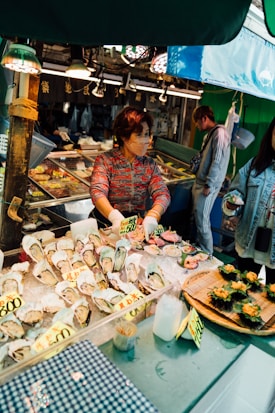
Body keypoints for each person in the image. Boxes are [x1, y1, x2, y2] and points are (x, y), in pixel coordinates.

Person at [90, 106, 171, 241]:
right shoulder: (105, 160)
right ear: (124, 136)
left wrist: (153, 215)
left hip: (136, 226)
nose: (146, 140)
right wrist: (114, 217)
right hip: (106, 223)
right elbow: (97, 191)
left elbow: (163, 193)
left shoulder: (149, 164)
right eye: (139, 135)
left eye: (146, 134)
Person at [222, 117, 275, 284]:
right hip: (247, 244)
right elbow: (235, 193)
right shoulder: (254, 165)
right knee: (240, 290)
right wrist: (231, 203)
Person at [191, 105, 231, 255]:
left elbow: (218, 161)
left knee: (202, 220)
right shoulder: (210, 134)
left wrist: (209, 183)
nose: (196, 125)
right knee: (199, 219)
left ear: (204, 118)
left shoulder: (220, 133)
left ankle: (207, 254)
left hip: (207, 185)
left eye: (197, 122)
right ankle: (202, 249)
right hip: (201, 182)